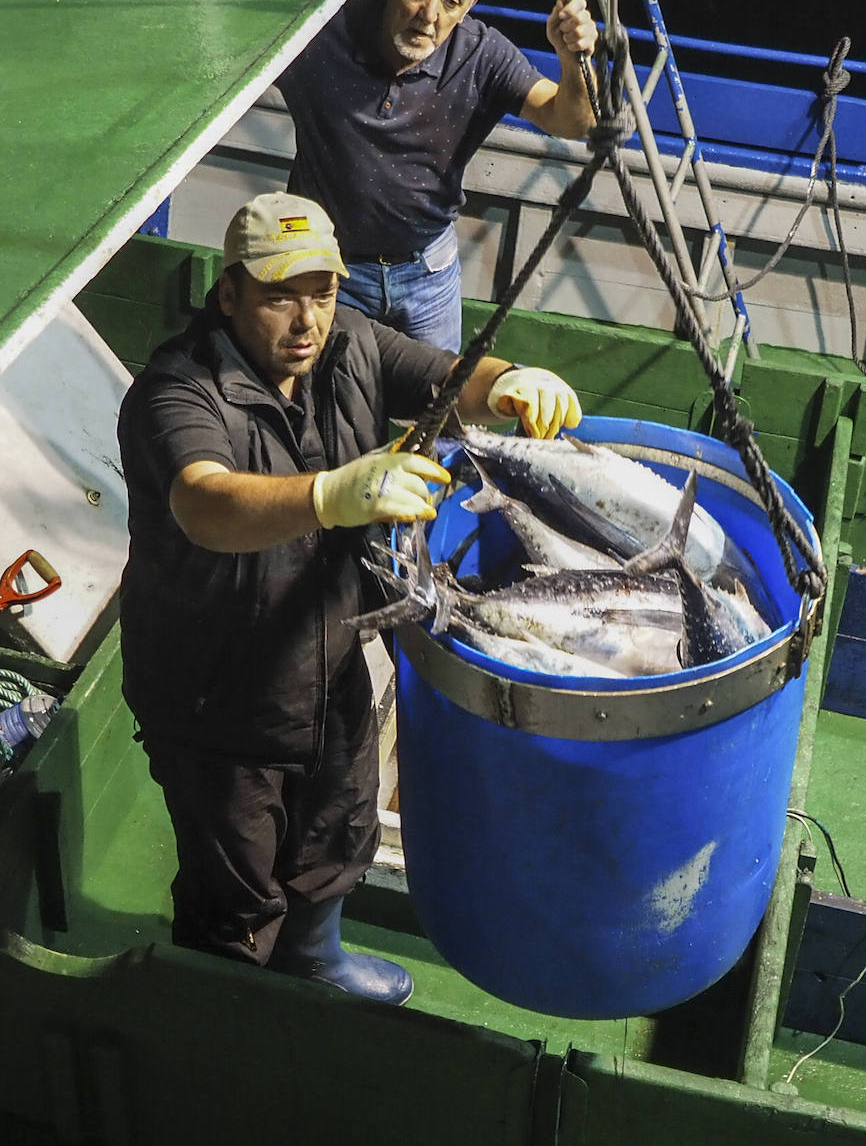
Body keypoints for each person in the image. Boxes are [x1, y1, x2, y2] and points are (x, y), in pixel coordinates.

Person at [116, 191, 582, 1006]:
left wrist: (511, 383)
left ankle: (314, 956)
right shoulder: (175, 392)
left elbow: (446, 377)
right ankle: (221, 1006)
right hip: (215, 694)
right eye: (278, 295)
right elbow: (206, 503)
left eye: (322, 293)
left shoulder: (351, 344)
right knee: (236, 881)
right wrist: (330, 494)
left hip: (332, 655)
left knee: (339, 824)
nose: (306, 320)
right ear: (228, 294)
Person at [276, 0, 597, 351]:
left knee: (433, 407)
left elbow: (574, 122)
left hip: (428, 274)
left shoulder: (483, 55)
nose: (429, 15)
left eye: (451, 1)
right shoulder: (320, 34)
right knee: (333, 405)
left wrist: (574, 59)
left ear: (470, 5)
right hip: (329, 272)